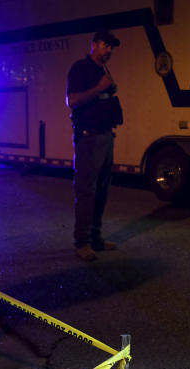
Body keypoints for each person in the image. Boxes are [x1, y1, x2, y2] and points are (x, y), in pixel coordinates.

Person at [66, 31, 122, 261]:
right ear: (94, 45)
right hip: (89, 138)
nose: (109, 50)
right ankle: (82, 243)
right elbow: (73, 100)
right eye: (105, 45)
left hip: (106, 137)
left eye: (111, 47)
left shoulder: (102, 70)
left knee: (101, 191)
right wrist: (100, 87)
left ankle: (96, 239)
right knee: (87, 191)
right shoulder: (80, 68)